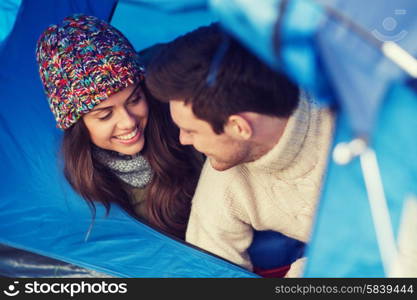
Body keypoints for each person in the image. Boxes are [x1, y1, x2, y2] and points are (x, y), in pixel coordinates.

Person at [145, 23, 335, 276]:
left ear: (239, 127)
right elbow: (207, 271)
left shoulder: (354, 133)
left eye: (191, 131)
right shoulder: (226, 172)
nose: (182, 140)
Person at [35, 14, 203, 240]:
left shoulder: (184, 129)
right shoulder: (71, 191)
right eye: (105, 115)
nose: (128, 122)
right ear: (77, 125)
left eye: (135, 100)